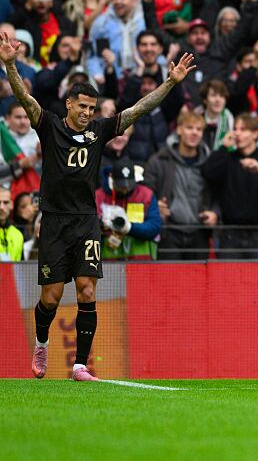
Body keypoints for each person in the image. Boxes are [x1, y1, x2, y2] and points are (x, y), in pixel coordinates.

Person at [0, 29, 194, 382]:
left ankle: (79, 365)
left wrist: (169, 83)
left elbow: (139, 109)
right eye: (83, 106)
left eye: (93, 107)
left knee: (88, 289)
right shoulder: (49, 125)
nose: (89, 112)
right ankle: (41, 342)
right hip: (55, 221)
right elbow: (24, 98)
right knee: (51, 296)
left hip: (87, 220)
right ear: (70, 105)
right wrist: (10, 66)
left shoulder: (100, 131)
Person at [201, 113, 258, 259]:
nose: (237, 133)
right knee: (227, 280)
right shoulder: (227, 158)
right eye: (236, 129)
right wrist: (223, 148)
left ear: (255, 134)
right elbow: (208, 173)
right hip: (230, 234)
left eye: (243, 129)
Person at [143, 109, 216, 260]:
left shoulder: (210, 163)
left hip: (199, 234)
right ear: (179, 129)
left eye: (199, 129)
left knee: (199, 283)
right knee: (169, 283)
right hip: (169, 232)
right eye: (189, 128)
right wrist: (156, 208)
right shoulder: (159, 160)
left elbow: (219, 193)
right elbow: (145, 193)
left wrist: (215, 213)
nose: (194, 133)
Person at [94, 157, 162, 260]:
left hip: (141, 264)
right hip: (109, 265)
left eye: (129, 185)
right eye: (121, 186)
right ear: (111, 178)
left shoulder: (146, 195)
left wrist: (129, 227)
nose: (125, 189)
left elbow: (154, 227)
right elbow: (87, 229)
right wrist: (102, 226)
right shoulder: (99, 197)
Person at [0, 187, 23, 261]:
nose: (1, 207)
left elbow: (19, 268)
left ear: (11, 205)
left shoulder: (18, 234)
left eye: (5, 202)